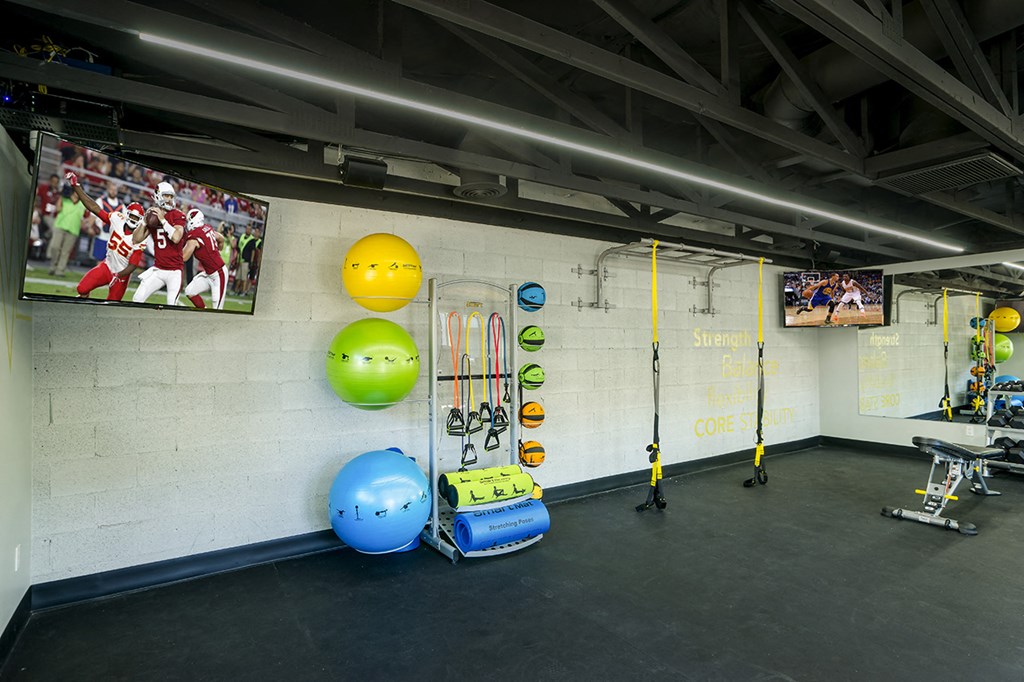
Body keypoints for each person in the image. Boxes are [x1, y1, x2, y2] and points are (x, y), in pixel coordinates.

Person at [64, 171, 146, 300]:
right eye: (132, 216)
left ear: (141, 220)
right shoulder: (117, 219)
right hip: (107, 266)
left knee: (111, 305)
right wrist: (76, 186)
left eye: (137, 218)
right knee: (82, 289)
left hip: (121, 276)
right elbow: (94, 207)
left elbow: (133, 266)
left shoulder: (139, 237)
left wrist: (118, 276)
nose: (133, 220)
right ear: (126, 214)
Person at [131, 181, 187, 305]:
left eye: (171, 196)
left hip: (174, 271)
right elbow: (136, 239)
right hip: (158, 269)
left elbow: (176, 237)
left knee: (171, 305)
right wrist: (144, 222)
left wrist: (163, 220)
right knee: (137, 299)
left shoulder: (178, 215)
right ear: (159, 195)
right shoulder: (153, 217)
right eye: (167, 195)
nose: (170, 199)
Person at [182, 208, 228, 310]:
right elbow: (221, 238)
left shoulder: (194, 236)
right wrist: (217, 250)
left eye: (189, 221)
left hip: (219, 274)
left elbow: (184, 257)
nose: (187, 224)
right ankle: (204, 311)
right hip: (208, 273)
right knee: (190, 291)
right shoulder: (207, 228)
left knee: (217, 310)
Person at [48, 184, 87, 276]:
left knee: (65, 251)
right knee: (54, 247)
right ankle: (53, 266)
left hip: (73, 229)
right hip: (60, 226)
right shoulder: (64, 198)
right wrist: (61, 196)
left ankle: (60, 270)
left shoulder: (83, 204)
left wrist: (85, 225)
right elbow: (57, 209)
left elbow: (84, 218)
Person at [36, 173, 61, 241]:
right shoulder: (44, 188)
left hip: (56, 216)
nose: (54, 184)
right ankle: (45, 237)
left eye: (56, 182)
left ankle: (45, 237)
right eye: (53, 181)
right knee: (56, 227)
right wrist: (37, 208)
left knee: (59, 227)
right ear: (50, 181)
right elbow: (35, 196)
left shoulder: (59, 193)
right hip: (46, 215)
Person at [235, 224, 256, 295]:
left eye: (249, 229)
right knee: (238, 277)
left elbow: (253, 251)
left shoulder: (252, 240)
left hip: (246, 260)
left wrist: (251, 261)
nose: (248, 230)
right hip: (240, 259)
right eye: (247, 228)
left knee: (244, 278)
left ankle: (243, 291)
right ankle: (236, 291)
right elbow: (238, 248)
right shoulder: (241, 236)